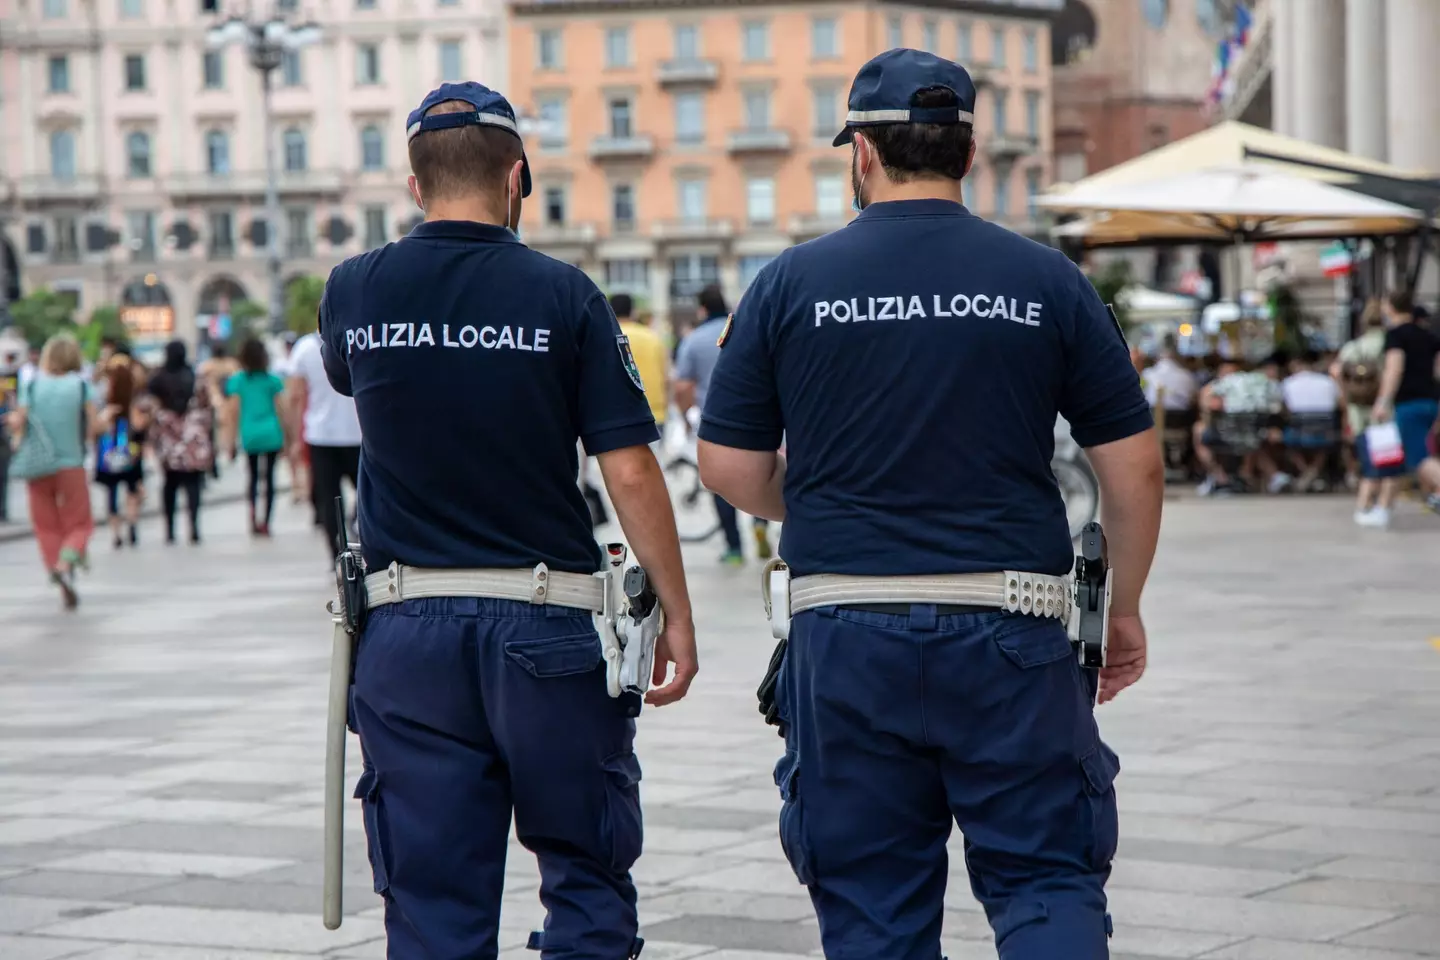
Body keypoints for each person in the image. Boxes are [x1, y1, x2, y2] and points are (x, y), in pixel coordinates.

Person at [696, 50, 1162, 960]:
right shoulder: (1049, 280)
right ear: (971, 151)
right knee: (1045, 880)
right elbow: (1135, 467)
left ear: (861, 155)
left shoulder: (790, 282)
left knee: (872, 904)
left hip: (846, 633)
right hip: (1013, 631)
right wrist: (1127, 607)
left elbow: (723, 461)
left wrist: (821, 498)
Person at [318, 82, 697, 957]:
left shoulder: (354, 291)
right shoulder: (565, 295)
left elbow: (348, 381)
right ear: (518, 176)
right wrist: (675, 608)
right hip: (550, 623)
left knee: (431, 901)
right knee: (586, 875)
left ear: (413, 186)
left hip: (407, 629)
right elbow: (630, 464)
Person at [675, 283, 773, 565]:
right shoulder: (746, 330)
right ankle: (760, 522)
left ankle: (733, 547)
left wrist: (685, 418)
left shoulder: (695, 339)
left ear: (702, 309)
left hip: (715, 423)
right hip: (758, 419)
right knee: (761, 474)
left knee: (721, 484)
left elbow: (682, 387)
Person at [6, 334, 100, 608]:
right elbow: (95, 427)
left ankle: (57, 570)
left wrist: (14, 425)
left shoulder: (32, 384)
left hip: (37, 464)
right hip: (71, 464)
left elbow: (19, 422)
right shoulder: (81, 385)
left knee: (46, 525)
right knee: (80, 523)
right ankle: (66, 562)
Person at [1364, 290, 1440, 527]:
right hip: (1429, 402)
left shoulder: (1396, 336)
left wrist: (1382, 401)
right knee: (1402, 457)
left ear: (1390, 307)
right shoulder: (1428, 336)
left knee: (1419, 457)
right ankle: (1383, 508)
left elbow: (1394, 369)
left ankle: (1382, 509)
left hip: (1408, 403)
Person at [287, 323, 361, 552]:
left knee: (329, 499)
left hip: (320, 435)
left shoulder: (304, 348)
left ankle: (336, 555)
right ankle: (356, 527)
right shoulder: (356, 338)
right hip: (356, 434)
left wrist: (296, 439)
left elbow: (296, 397)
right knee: (368, 492)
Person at [149, 341, 215, 544]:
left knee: (170, 484)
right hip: (191, 437)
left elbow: (149, 405)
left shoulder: (158, 378)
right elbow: (206, 405)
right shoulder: (194, 377)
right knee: (193, 483)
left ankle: (169, 529)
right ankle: (194, 527)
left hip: (168, 438)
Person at [1332, 299, 1394, 511]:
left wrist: (1346, 395)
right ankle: (1381, 499)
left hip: (1358, 406)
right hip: (1385, 405)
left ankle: (1366, 495)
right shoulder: (1389, 344)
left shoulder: (1354, 346)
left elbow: (1336, 372)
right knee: (1386, 454)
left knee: (1365, 450)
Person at [224, 337, 287, 536]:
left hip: (249, 434)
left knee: (252, 477)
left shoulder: (237, 381)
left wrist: (230, 442)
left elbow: (232, 413)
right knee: (269, 479)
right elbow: (281, 410)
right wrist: (288, 438)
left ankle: (252, 518)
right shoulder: (273, 380)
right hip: (271, 432)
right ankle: (266, 521)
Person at [93, 358, 151, 548]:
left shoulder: (107, 406)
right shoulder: (133, 405)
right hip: (131, 454)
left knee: (112, 494)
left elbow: (97, 429)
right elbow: (140, 426)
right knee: (132, 489)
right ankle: (132, 523)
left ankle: (116, 532)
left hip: (109, 456)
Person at [611, 293, 669, 451]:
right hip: (654, 413)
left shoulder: (607, 336)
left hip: (617, 416)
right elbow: (666, 376)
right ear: (633, 311)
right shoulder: (652, 337)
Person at [1280, 349, 1341, 493]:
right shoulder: (1328, 381)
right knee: (1324, 447)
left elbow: (1284, 408)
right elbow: (1339, 403)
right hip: (1325, 428)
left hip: (1298, 429)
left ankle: (1307, 474)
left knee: (1285, 444)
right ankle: (1313, 473)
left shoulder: (1288, 382)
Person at [1141, 336, 1196, 412]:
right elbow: (1193, 397)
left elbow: (1141, 396)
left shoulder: (1147, 374)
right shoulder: (1187, 375)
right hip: (1182, 420)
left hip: (1153, 418)